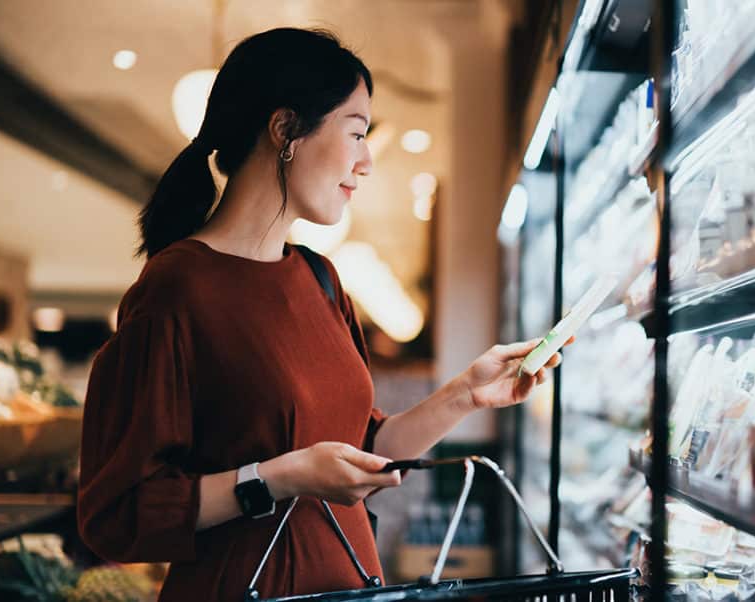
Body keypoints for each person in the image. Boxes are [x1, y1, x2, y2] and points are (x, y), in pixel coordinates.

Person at [76, 28, 564, 600]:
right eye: (356, 133)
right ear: (285, 130)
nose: (365, 163)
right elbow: (117, 514)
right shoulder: (176, 288)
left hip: (350, 586)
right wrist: (278, 478)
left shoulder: (320, 279)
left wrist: (466, 394)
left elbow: (364, 455)